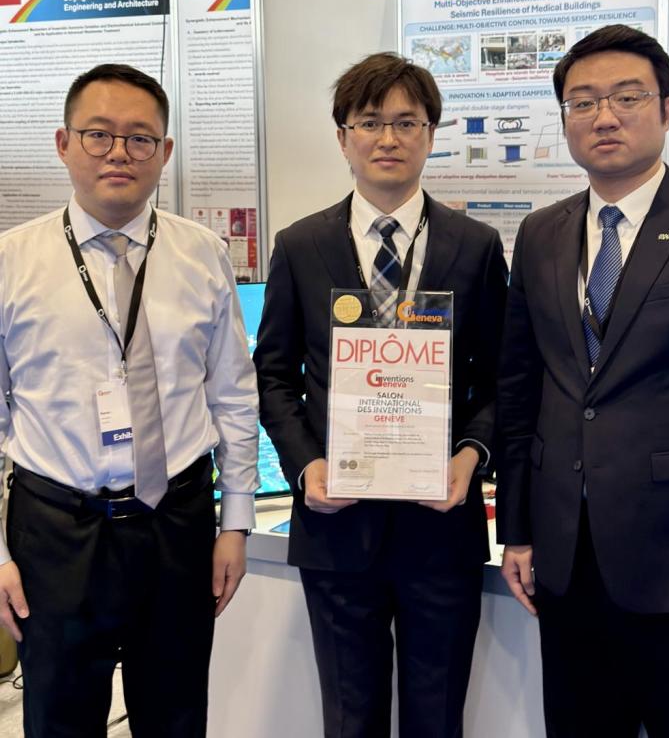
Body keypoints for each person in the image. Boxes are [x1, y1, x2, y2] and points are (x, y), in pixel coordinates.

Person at [496, 24, 669, 738]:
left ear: (667, 109)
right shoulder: (541, 234)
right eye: (583, 102)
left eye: (627, 97)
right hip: (566, 558)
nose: (605, 117)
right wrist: (517, 532)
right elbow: (521, 392)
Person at [0, 63, 259, 737]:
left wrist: (235, 523)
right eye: (98, 134)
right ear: (64, 143)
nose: (119, 152)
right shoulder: (11, 261)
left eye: (140, 138)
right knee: (59, 718)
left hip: (175, 522)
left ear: (164, 152)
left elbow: (233, 395)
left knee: (176, 715)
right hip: (55, 529)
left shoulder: (203, 254)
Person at [255, 52, 507, 738]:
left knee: (437, 717)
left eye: (406, 122)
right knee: (350, 717)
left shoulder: (476, 246)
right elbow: (273, 374)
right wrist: (306, 465)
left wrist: (470, 457)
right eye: (370, 122)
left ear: (430, 134)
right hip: (337, 529)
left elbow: (500, 377)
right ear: (343, 137)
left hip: (441, 527)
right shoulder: (300, 245)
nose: (388, 138)